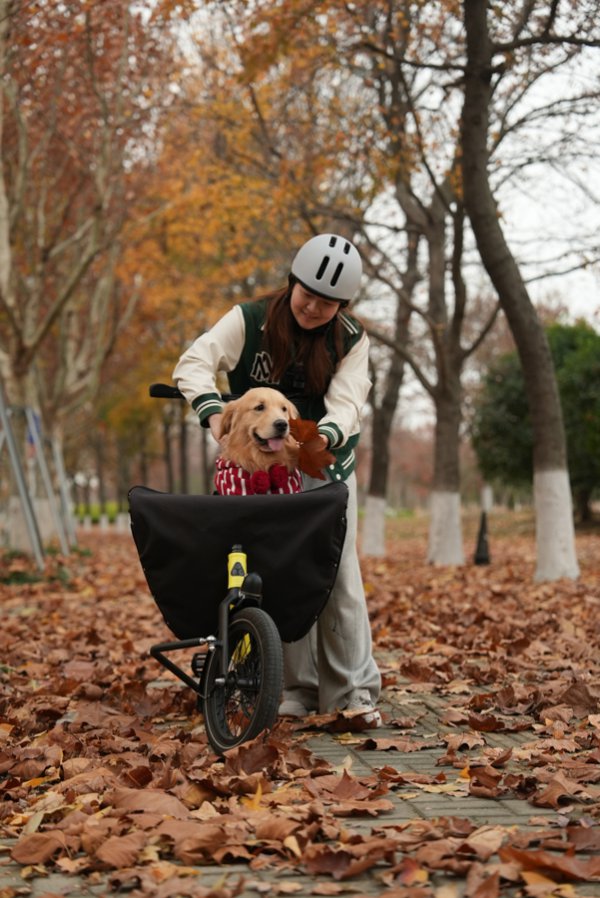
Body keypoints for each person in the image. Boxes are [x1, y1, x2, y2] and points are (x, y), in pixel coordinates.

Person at [173, 233, 382, 727]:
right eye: (307, 293)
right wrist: (212, 413)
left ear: (342, 304)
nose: (313, 306)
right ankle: (294, 689)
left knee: (337, 579)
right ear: (292, 282)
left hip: (322, 469)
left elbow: (349, 404)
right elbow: (194, 363)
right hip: (257, 473)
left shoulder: (350, 339)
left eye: (327, 302)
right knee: (277, 576)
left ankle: (353, 694)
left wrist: (318, 438)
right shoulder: (249, 319)